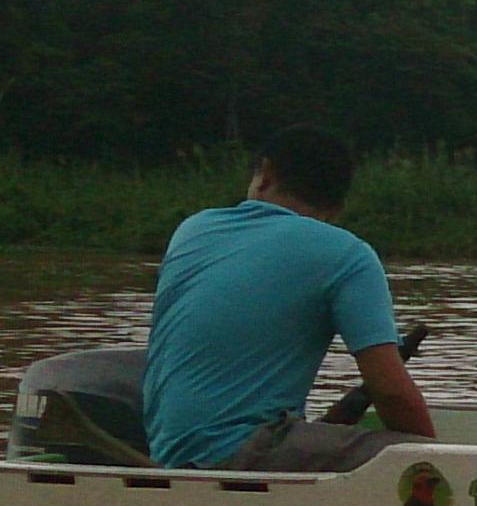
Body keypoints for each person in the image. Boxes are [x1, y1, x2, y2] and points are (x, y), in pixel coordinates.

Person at [142, 124, 436, 471]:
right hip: (242, 452)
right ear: (338, 207)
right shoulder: (346, 254)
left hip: (167, 449)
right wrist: (437, 460)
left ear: (265, 174)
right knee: (404, 456)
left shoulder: (193, 229)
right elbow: (390, 391)